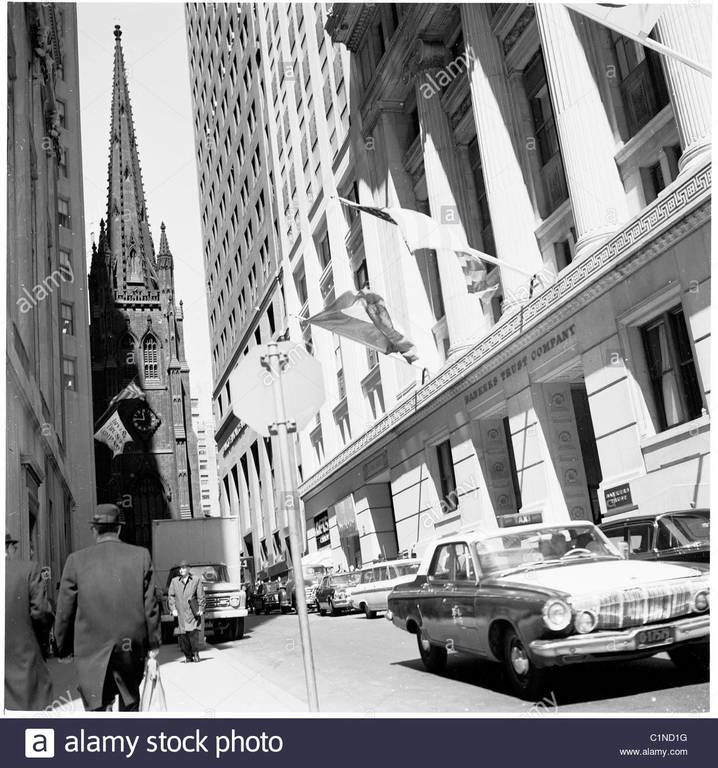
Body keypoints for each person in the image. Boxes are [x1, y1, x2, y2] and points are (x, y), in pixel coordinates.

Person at [54, 504, 161, 711]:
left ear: (94, 530)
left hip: (91, 652)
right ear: (119, 528)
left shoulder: (75, 561)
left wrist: (63, 649)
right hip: (130, 649)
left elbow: (64, 611)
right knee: (130, 705)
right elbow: (151, 605)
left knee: (97, 709)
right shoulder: (141, 556)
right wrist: (153, 644)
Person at [5, 532, 54, 711]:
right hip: (23, 662)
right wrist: (41, 643)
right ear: (8, 548)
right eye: (14, 548)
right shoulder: (28, 570)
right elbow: (41, 612)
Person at [167, 560, 205, 663]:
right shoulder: (174, 581)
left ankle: (195, 653)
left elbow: (201, 596)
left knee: (193, 634)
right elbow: (171, 596)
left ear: (188, 569)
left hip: (192, 612)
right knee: (183, 637)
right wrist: (173, 609)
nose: (181, 570)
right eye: (180, 568)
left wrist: (201, 609)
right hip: (180, 613)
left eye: (184, 568)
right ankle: (188, 656)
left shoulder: (196, 580)